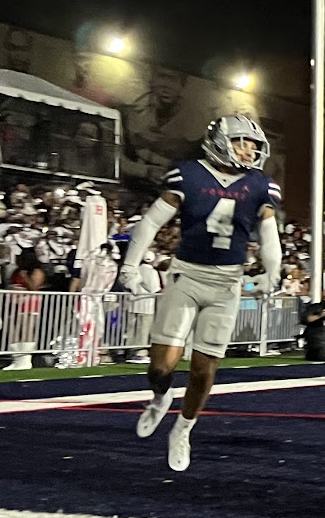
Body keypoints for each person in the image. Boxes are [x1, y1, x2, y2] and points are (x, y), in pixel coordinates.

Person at [119, 114, 283, 472]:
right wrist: (130, 265)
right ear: (221, 141)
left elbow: (268, 234)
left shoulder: (260, 185)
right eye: (242, 142)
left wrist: (274, 269)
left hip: (227, 282)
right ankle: (161, 397)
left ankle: (184, 428)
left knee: (204, 369)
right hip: (187, 275)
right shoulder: (188, 174)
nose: (249, 151)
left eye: (253, 145)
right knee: (162, 364)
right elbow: (150, 222)